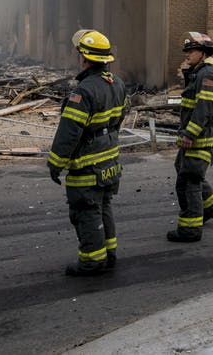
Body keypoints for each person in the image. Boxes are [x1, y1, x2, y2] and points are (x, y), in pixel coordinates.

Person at [48, 29, 127, 276]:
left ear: (84, 58)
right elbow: (119, 118)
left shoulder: (83, 91)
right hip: (110, 158)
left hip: (87, 163)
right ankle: (109, 254)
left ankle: (93, 261)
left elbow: (69, 132)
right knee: (104, 206)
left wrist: (55, 163)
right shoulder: (117, 84)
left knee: (86, 210)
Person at [167, 31, 213, 243]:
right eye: (187, 51)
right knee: (187, 171)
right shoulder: (198, 73)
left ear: (203, 53)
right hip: (195, 138)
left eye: (191, 51)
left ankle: (190, 229)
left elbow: (204, 108)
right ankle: (210, 206)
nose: (187, 54)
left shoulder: (206, 75)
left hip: (198, 139)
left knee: (188, 181)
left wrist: (190, 133)